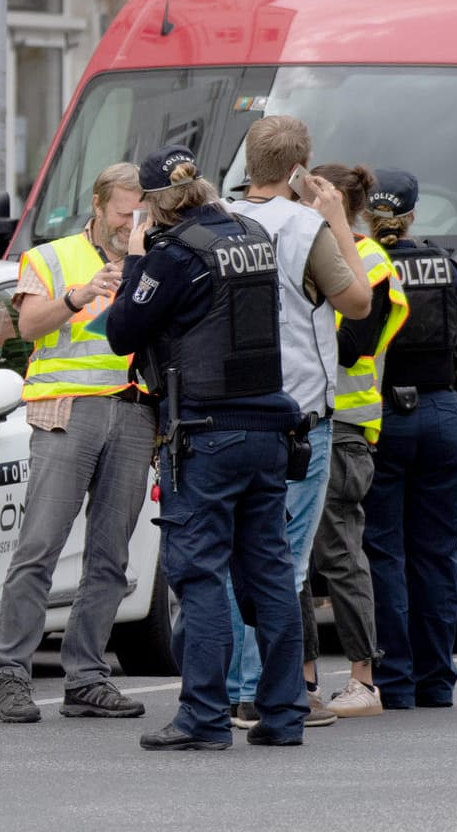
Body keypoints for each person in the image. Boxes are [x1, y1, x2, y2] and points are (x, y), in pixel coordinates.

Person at [105, 144, 307, 750]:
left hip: (207, 435)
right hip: (270, 427)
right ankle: (284, 714)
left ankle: (203, 716)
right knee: (270, 572)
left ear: (154, 205)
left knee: (199, 575)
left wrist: (139, 263)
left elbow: (121, 333)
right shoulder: (250, 233)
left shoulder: (172, 254)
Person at [0, 162, 155, 724]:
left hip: (133, 410)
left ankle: (86, 676)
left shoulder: (152, 256)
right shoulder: (53, 256)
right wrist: (79, 294)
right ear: (97, 203)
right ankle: (11, 673)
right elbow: (28, 326)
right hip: (66, 411)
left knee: (110, 556)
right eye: (122, 212)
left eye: (141, 213)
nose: (129, 223)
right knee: (39, 547)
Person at [223, 117, 370, 729]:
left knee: (234, 553)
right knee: (283, 556)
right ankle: (267, 689)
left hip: (228, 408)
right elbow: (358, 301)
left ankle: (235, 686)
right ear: (297, 172)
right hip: (300, 413)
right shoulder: (306, 225)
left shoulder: (220, 222)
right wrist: (334, 215)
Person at [361, 168, 457, 710]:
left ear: (367, 216)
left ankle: (394, 682)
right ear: (414, 213)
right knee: (437, 552)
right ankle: (437, 681)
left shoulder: (363, 265)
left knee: (384, 551)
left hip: (384, 419)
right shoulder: (445, 268)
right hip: (443, 416)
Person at [306, 163, 408, 718]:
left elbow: (353, 344)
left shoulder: (369, 259)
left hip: (346, 427)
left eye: (316, 202)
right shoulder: (306, 251)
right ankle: (305, 681)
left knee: (340, 554)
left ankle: (364, 681)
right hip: (305, 419)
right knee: (294, 558)